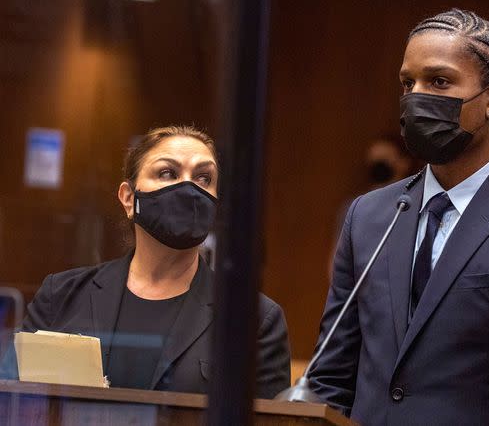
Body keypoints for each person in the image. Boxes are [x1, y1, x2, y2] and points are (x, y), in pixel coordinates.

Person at [308, 9, 489, 426]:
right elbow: (330, 376)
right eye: (408, 82)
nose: (415, 95)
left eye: (439, 81)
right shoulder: (369, 215)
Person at [4, 126, 291, 398]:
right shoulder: (62, 295)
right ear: (129, 198)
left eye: (204, 178)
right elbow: (12, 401)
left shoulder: (252, 318)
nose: (188, 187)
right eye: (167, 172)